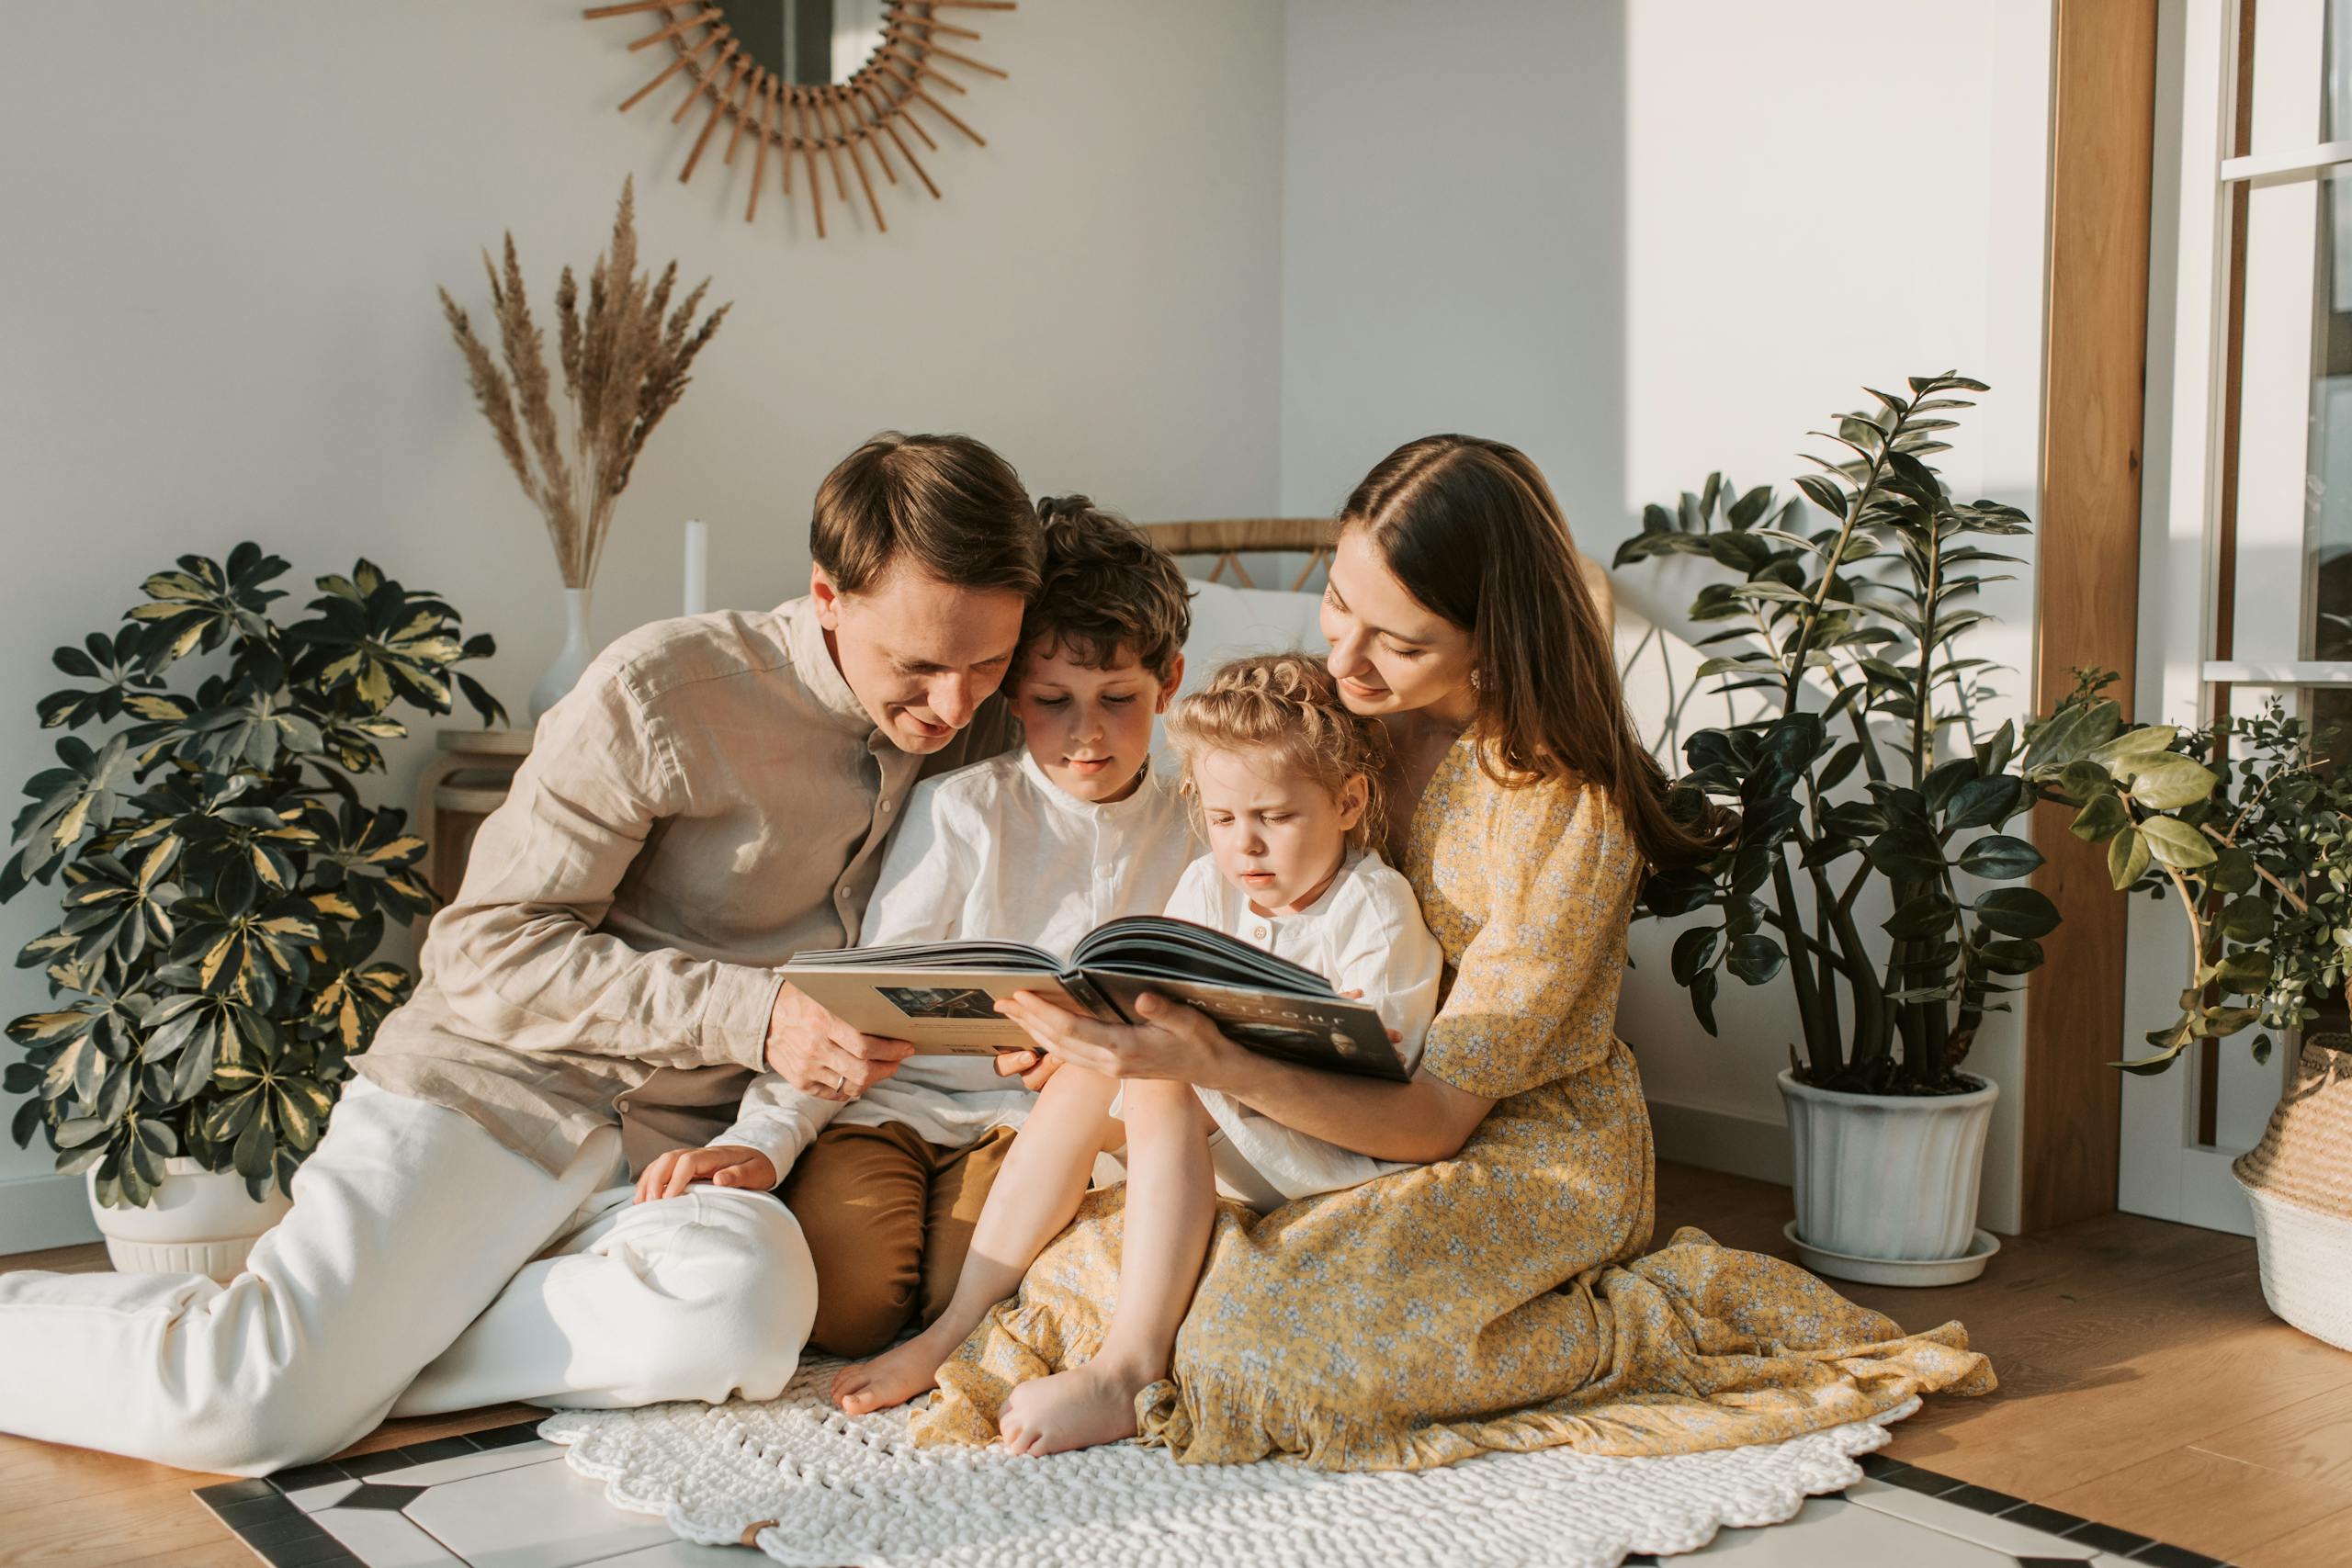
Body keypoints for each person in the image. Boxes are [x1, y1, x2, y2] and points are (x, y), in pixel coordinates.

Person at [917, 434, 1996, 1469]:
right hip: (1299, 1095)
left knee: (1265, 1353)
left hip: (1504, 1144)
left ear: (1493, 635)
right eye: (1339, 604)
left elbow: (1435, 1121)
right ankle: (1152, 1327)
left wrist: (1208, 1065)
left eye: (1397, 640)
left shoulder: (1564, 814)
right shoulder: (1333, 727)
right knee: (1078, 1264)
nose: (1343, 658)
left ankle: (1587, 1318)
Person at [0, 432, 1041, 1474]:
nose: (952, 707)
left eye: (985, 664)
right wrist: (754, 1015)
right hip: (492, 1095)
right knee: (245, 1413)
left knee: (749, 1315)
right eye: (917, 666)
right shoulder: (662, 691)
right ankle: (290, 1367)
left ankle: (355, 1364)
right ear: (826, 595)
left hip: (669, 1162)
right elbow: (485, 950)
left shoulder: (987, 725)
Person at [632, 495, 1199, 1360]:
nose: (1086, 734)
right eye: (1052, 700)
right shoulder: (962, 809)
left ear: (1171, 683)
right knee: (846, 1307)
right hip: (888, 1106)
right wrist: (760, 1140)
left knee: (963, 1293)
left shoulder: (1201, 828)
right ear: (1012, 692)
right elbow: (859, 996)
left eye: (1117, 698)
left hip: (1036, 1123)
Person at [831, 654, 1442, 1450]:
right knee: (1098, 1067)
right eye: (1223, 820)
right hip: (1232, 1129)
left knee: (1158, 1079)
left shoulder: (1376, 910)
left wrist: (1198, 1056)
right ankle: (954, 1327)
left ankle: (1129, 1366)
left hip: (1320, 1149)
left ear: (1349, 800)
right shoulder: (1206, 886)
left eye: (1276, 817)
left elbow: (1377, 1082)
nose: (1246, 847)